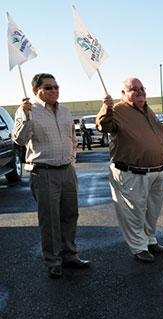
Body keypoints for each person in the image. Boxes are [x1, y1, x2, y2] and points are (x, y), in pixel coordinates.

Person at [13, 73, 90, 278]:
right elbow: (20, 140)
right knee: (51, 220)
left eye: (56, 87)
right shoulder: (27, 111)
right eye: (48, 87)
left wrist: (72, 162)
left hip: (67, 172)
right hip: (44, 173)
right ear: (36, 90)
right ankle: (53, 261)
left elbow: (73, 139)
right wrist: (26, 116)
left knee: (70, 214)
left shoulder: (65, 111)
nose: (54, 90)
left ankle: (70, 255)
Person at [96, 77, 163, 263]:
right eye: (134, 88)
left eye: (142, 88)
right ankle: (139, 247)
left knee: (152, 211)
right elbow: (103, 126)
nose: (140, 91)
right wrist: (106, 107)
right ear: (123, 93)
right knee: (134, 212)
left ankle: (150, 240)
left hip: (156, 172)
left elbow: (159, 130)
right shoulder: (118, 110)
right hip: (131, 172)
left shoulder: (148, 111)